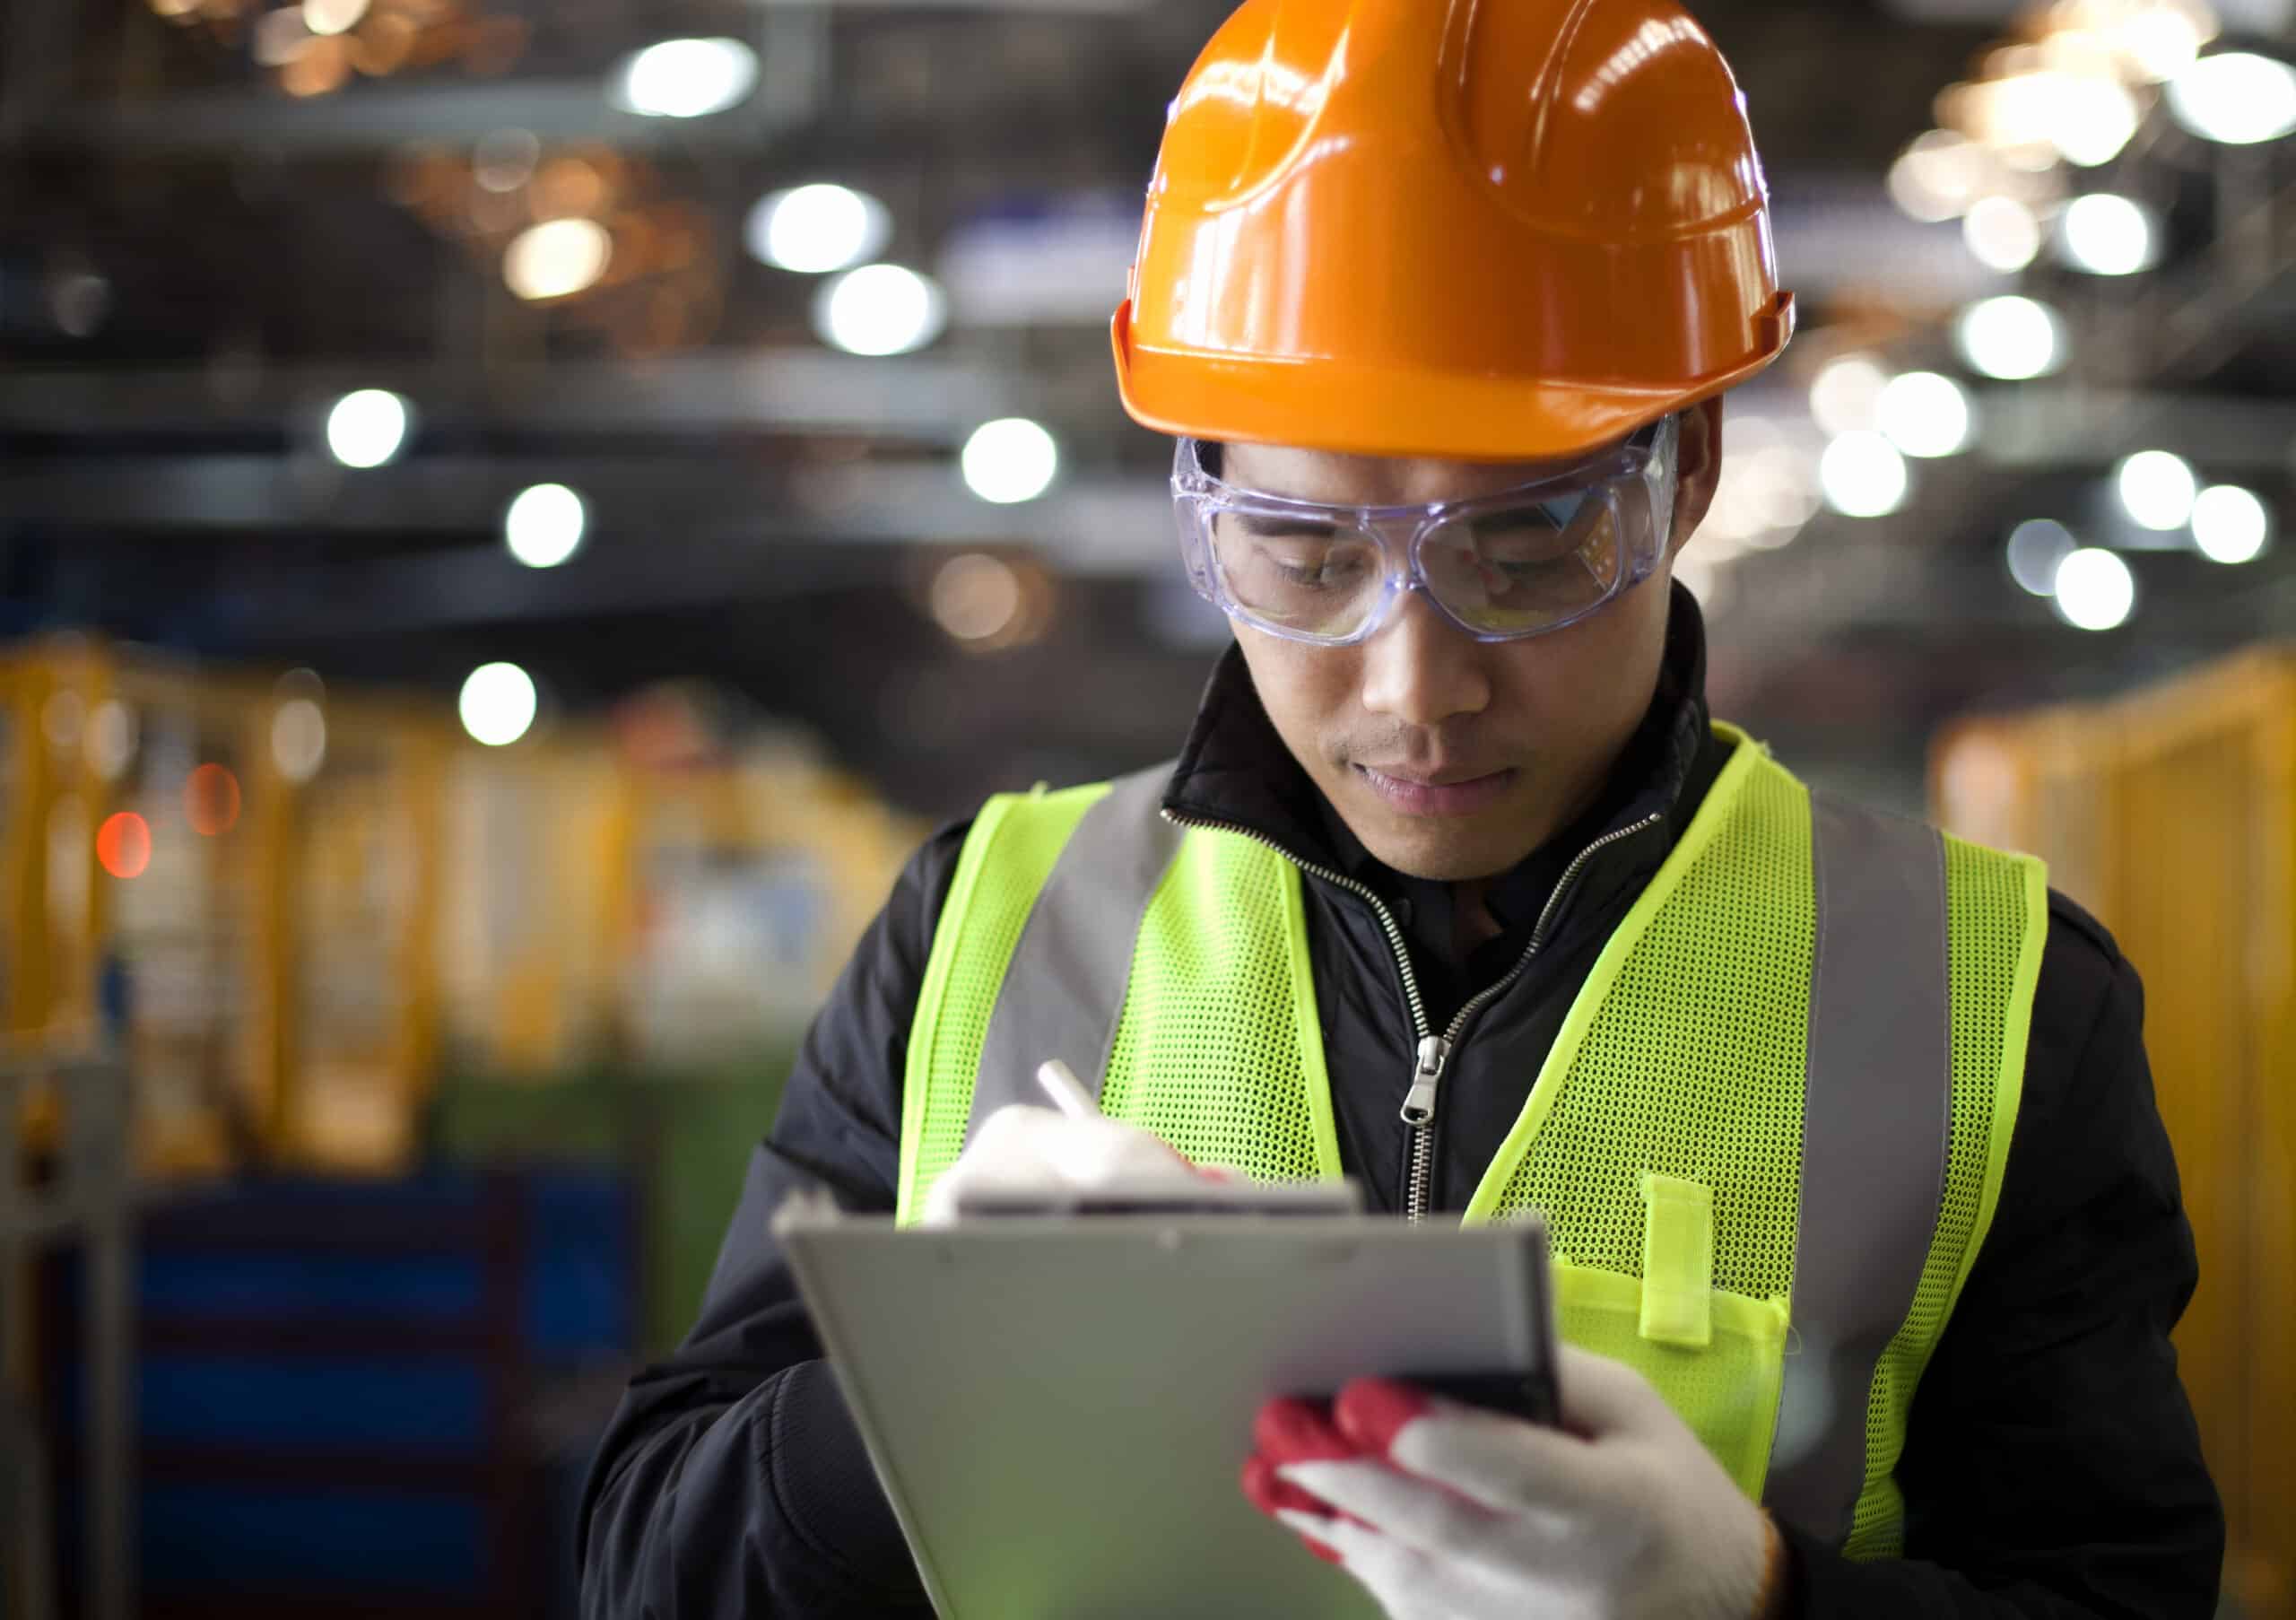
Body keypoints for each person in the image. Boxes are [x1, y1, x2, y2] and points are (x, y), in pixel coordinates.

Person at [578, 0, 2224, 1614]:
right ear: (1203, 495)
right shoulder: (974, 940)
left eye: (1525, 548)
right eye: (1305, 555)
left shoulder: (1990, 1007)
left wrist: (1750, 1598)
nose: (1414, 684)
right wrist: (913, 1393)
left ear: (1693, 467)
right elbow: (642, 1559)